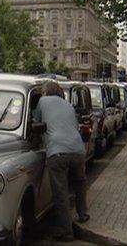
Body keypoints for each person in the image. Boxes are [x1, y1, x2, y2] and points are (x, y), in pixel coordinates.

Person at [33, 81, 89, 242]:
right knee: (80, 182)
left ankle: (66, 232)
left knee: (61, 193)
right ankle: (83, 214)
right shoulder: (68, 104)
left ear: (45, 92)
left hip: (58, 153)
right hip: (78, 151)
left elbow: (36, 123)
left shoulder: (42, 102)